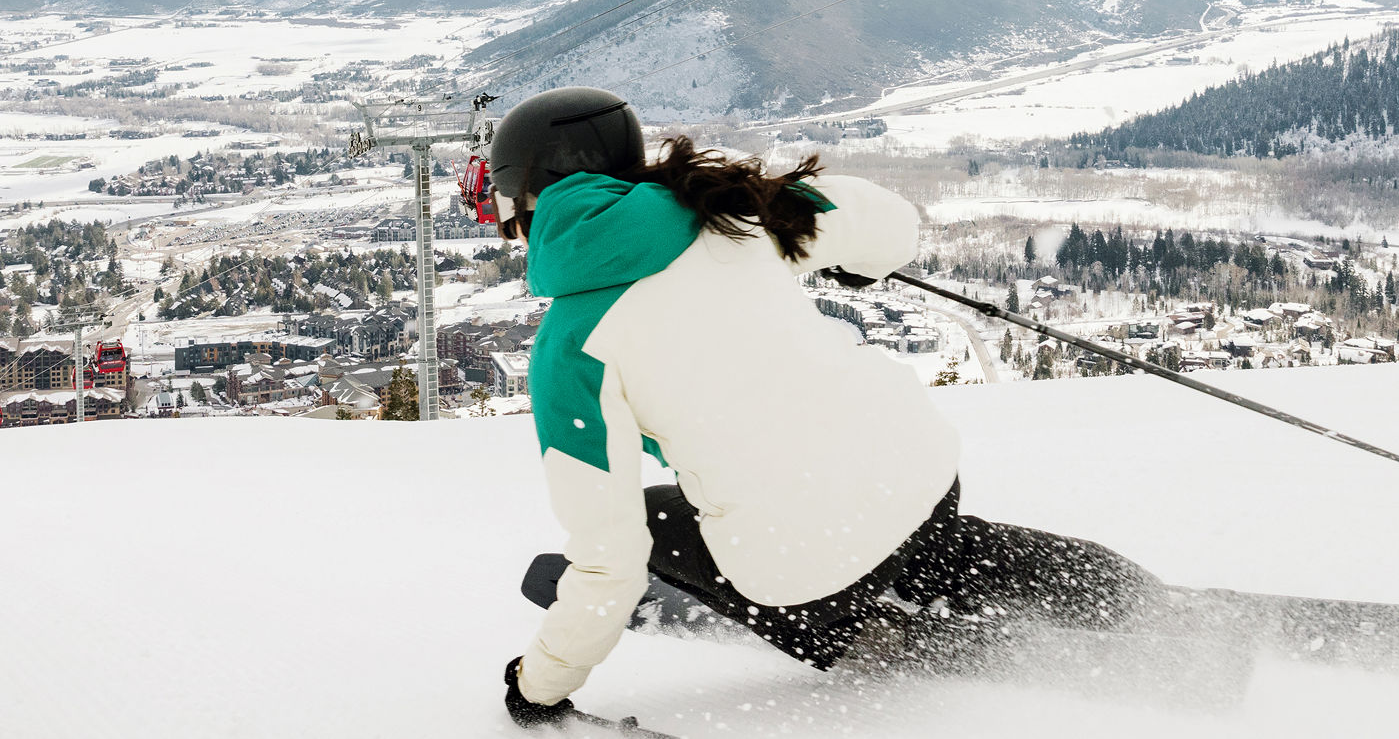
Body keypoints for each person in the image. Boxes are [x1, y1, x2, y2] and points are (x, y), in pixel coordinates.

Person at [487, 87, 1163, 727]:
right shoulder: (734, 210)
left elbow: (611, 560)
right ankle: (1143, 605)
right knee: (935, 543)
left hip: (808, 565)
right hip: (923, 475)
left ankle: (870, 636)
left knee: (654, 516)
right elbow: (888, 222)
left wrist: (537, 687)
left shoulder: (568, 351)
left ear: (533, 196)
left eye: (496, 199)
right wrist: (858, 260)